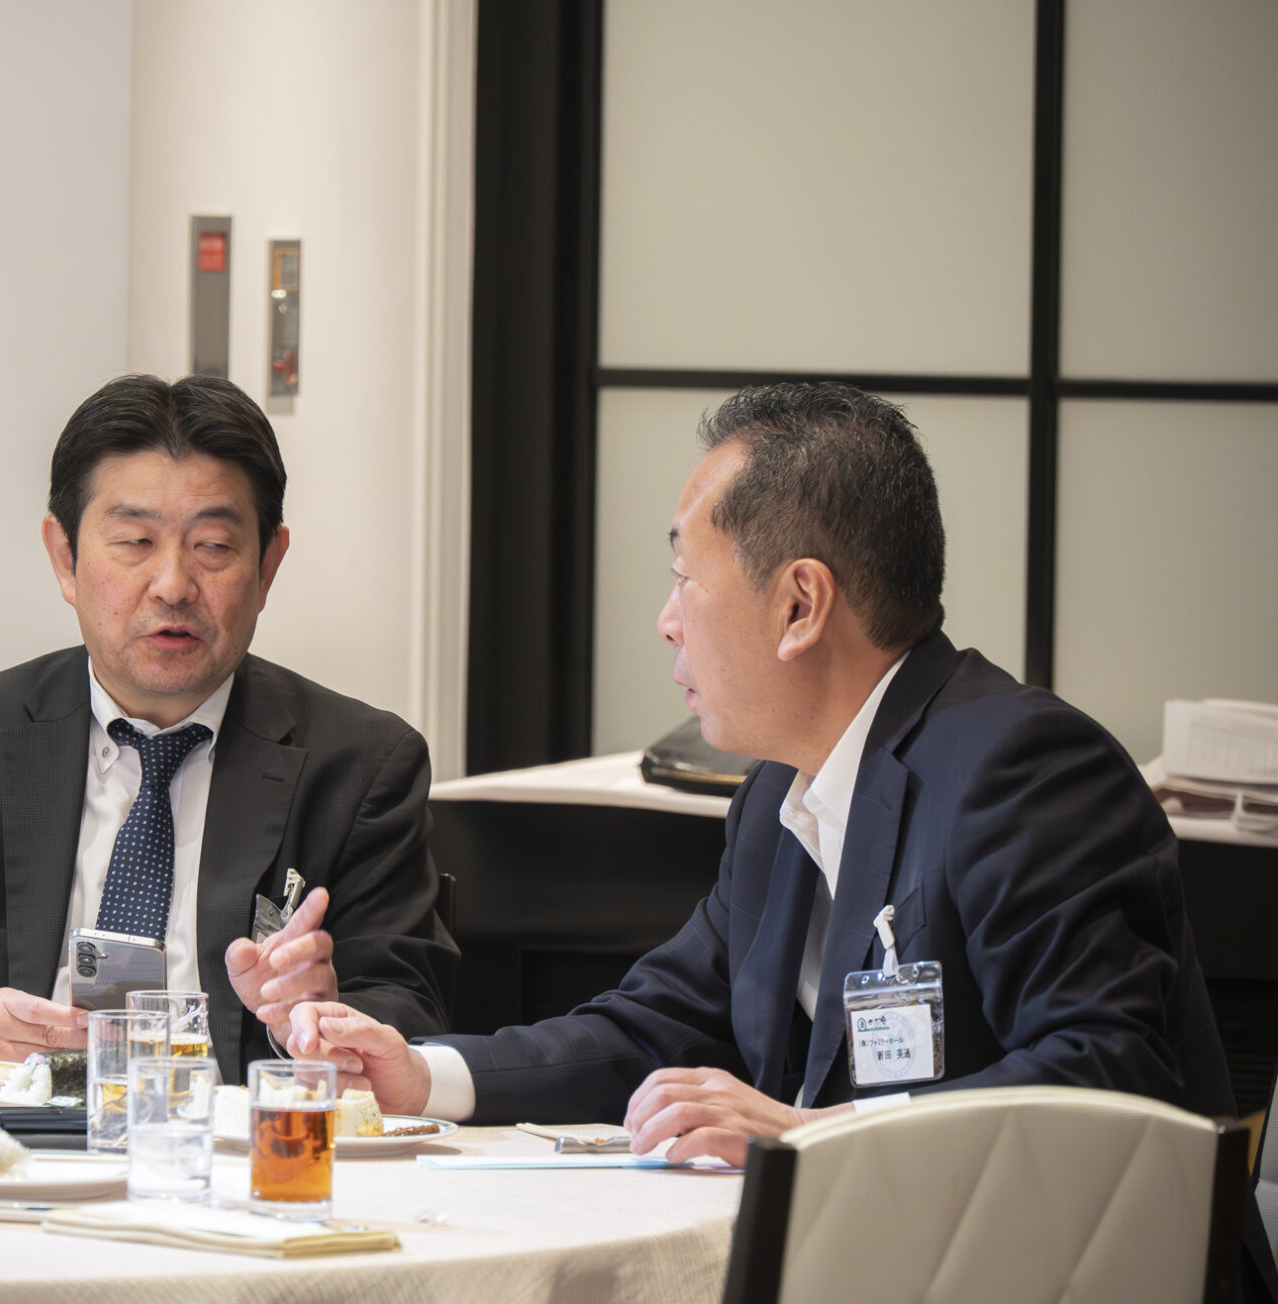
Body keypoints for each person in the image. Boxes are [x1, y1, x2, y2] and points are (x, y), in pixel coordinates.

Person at [291, 381, 1239, 1159]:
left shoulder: (1022, 770)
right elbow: (655, 1025)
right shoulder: (779, 796)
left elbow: (1107, 1073)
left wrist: (813, 1136)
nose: (667, 620)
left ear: (800, 606)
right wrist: (423, 1076)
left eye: (684, 578)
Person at [0, 373, 457, 1079]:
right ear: (65, 558)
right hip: (13, 1131)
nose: (173, 585)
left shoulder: (361, 765)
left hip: (230, 1136)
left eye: (213, 545)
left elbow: (411, 1009)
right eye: (135, 540)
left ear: (268, 565)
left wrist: (318, 1022)